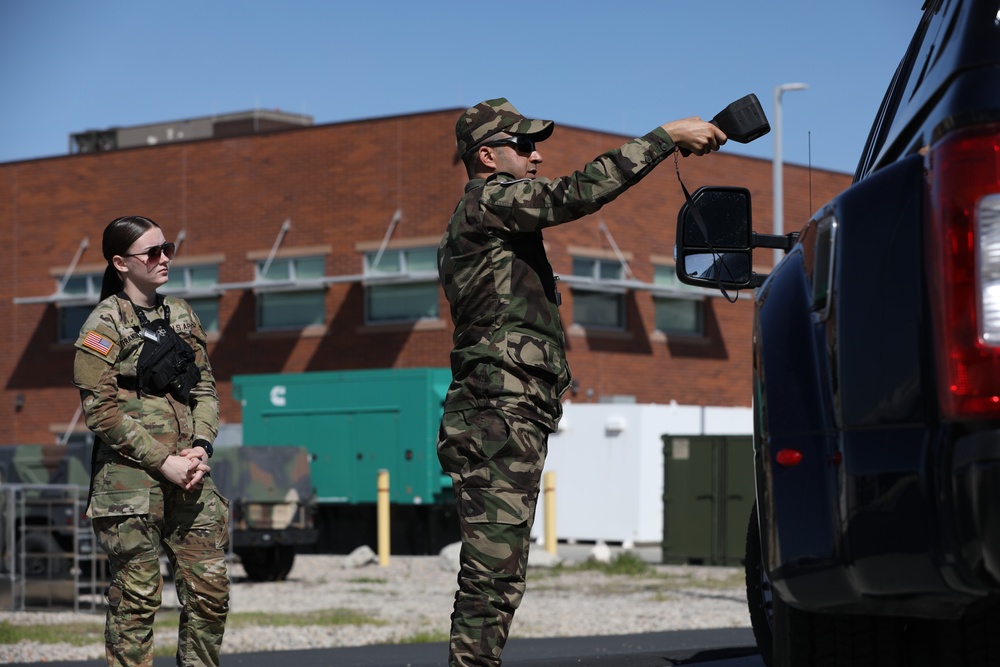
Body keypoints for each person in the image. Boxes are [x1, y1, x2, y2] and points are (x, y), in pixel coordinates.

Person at [437, 98, 726, 666]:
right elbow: (576, 193)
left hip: (507, 413)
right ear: (488, 156)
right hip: (496, 412)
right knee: (492, 576)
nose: (536, 154)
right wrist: (665, 136)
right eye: (524, 146)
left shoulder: (495, 214)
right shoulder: (488, 202)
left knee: (500, 575)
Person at [73, 215, 230, 667]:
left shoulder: (180, 314)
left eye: (168, 249)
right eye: (152, 253)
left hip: (192, 477)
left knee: (209, 594)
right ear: (121, 263)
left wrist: (201, 446)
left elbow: (204, 386)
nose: (164, 259)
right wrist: (164, 461)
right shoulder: (105, 322)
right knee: (137, 601)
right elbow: (99, 410)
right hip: (129, 484)